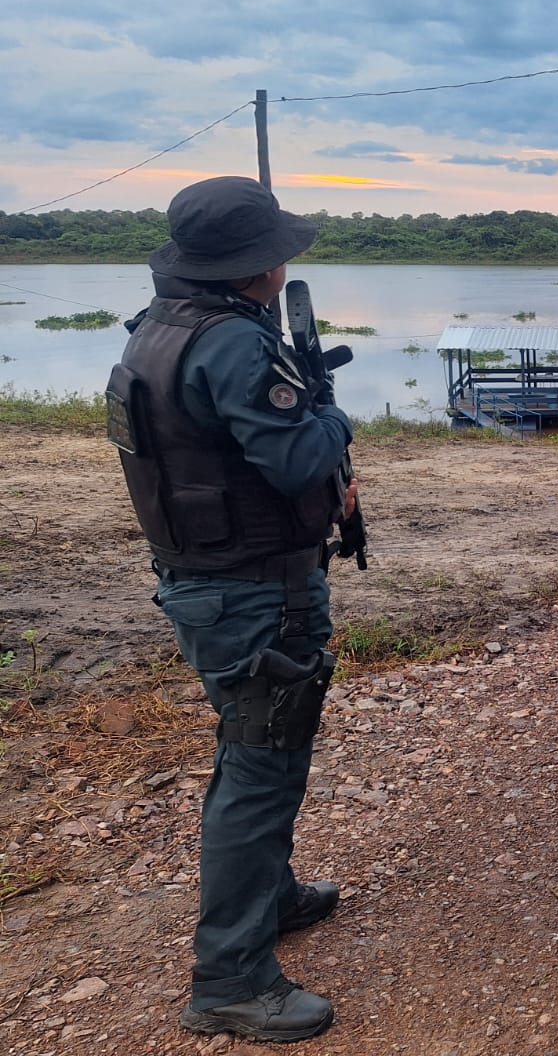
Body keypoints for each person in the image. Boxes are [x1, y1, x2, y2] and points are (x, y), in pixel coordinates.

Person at [106, 175, 359, 1042]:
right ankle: (231, 980)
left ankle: (270, 898)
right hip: (255, 591)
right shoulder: (236, 344)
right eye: (275, 252)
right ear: (256, 267)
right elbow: (297, 460)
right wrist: (335, 417)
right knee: (260, 771)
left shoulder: (159, 328)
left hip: (206, 580)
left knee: (252, 751)